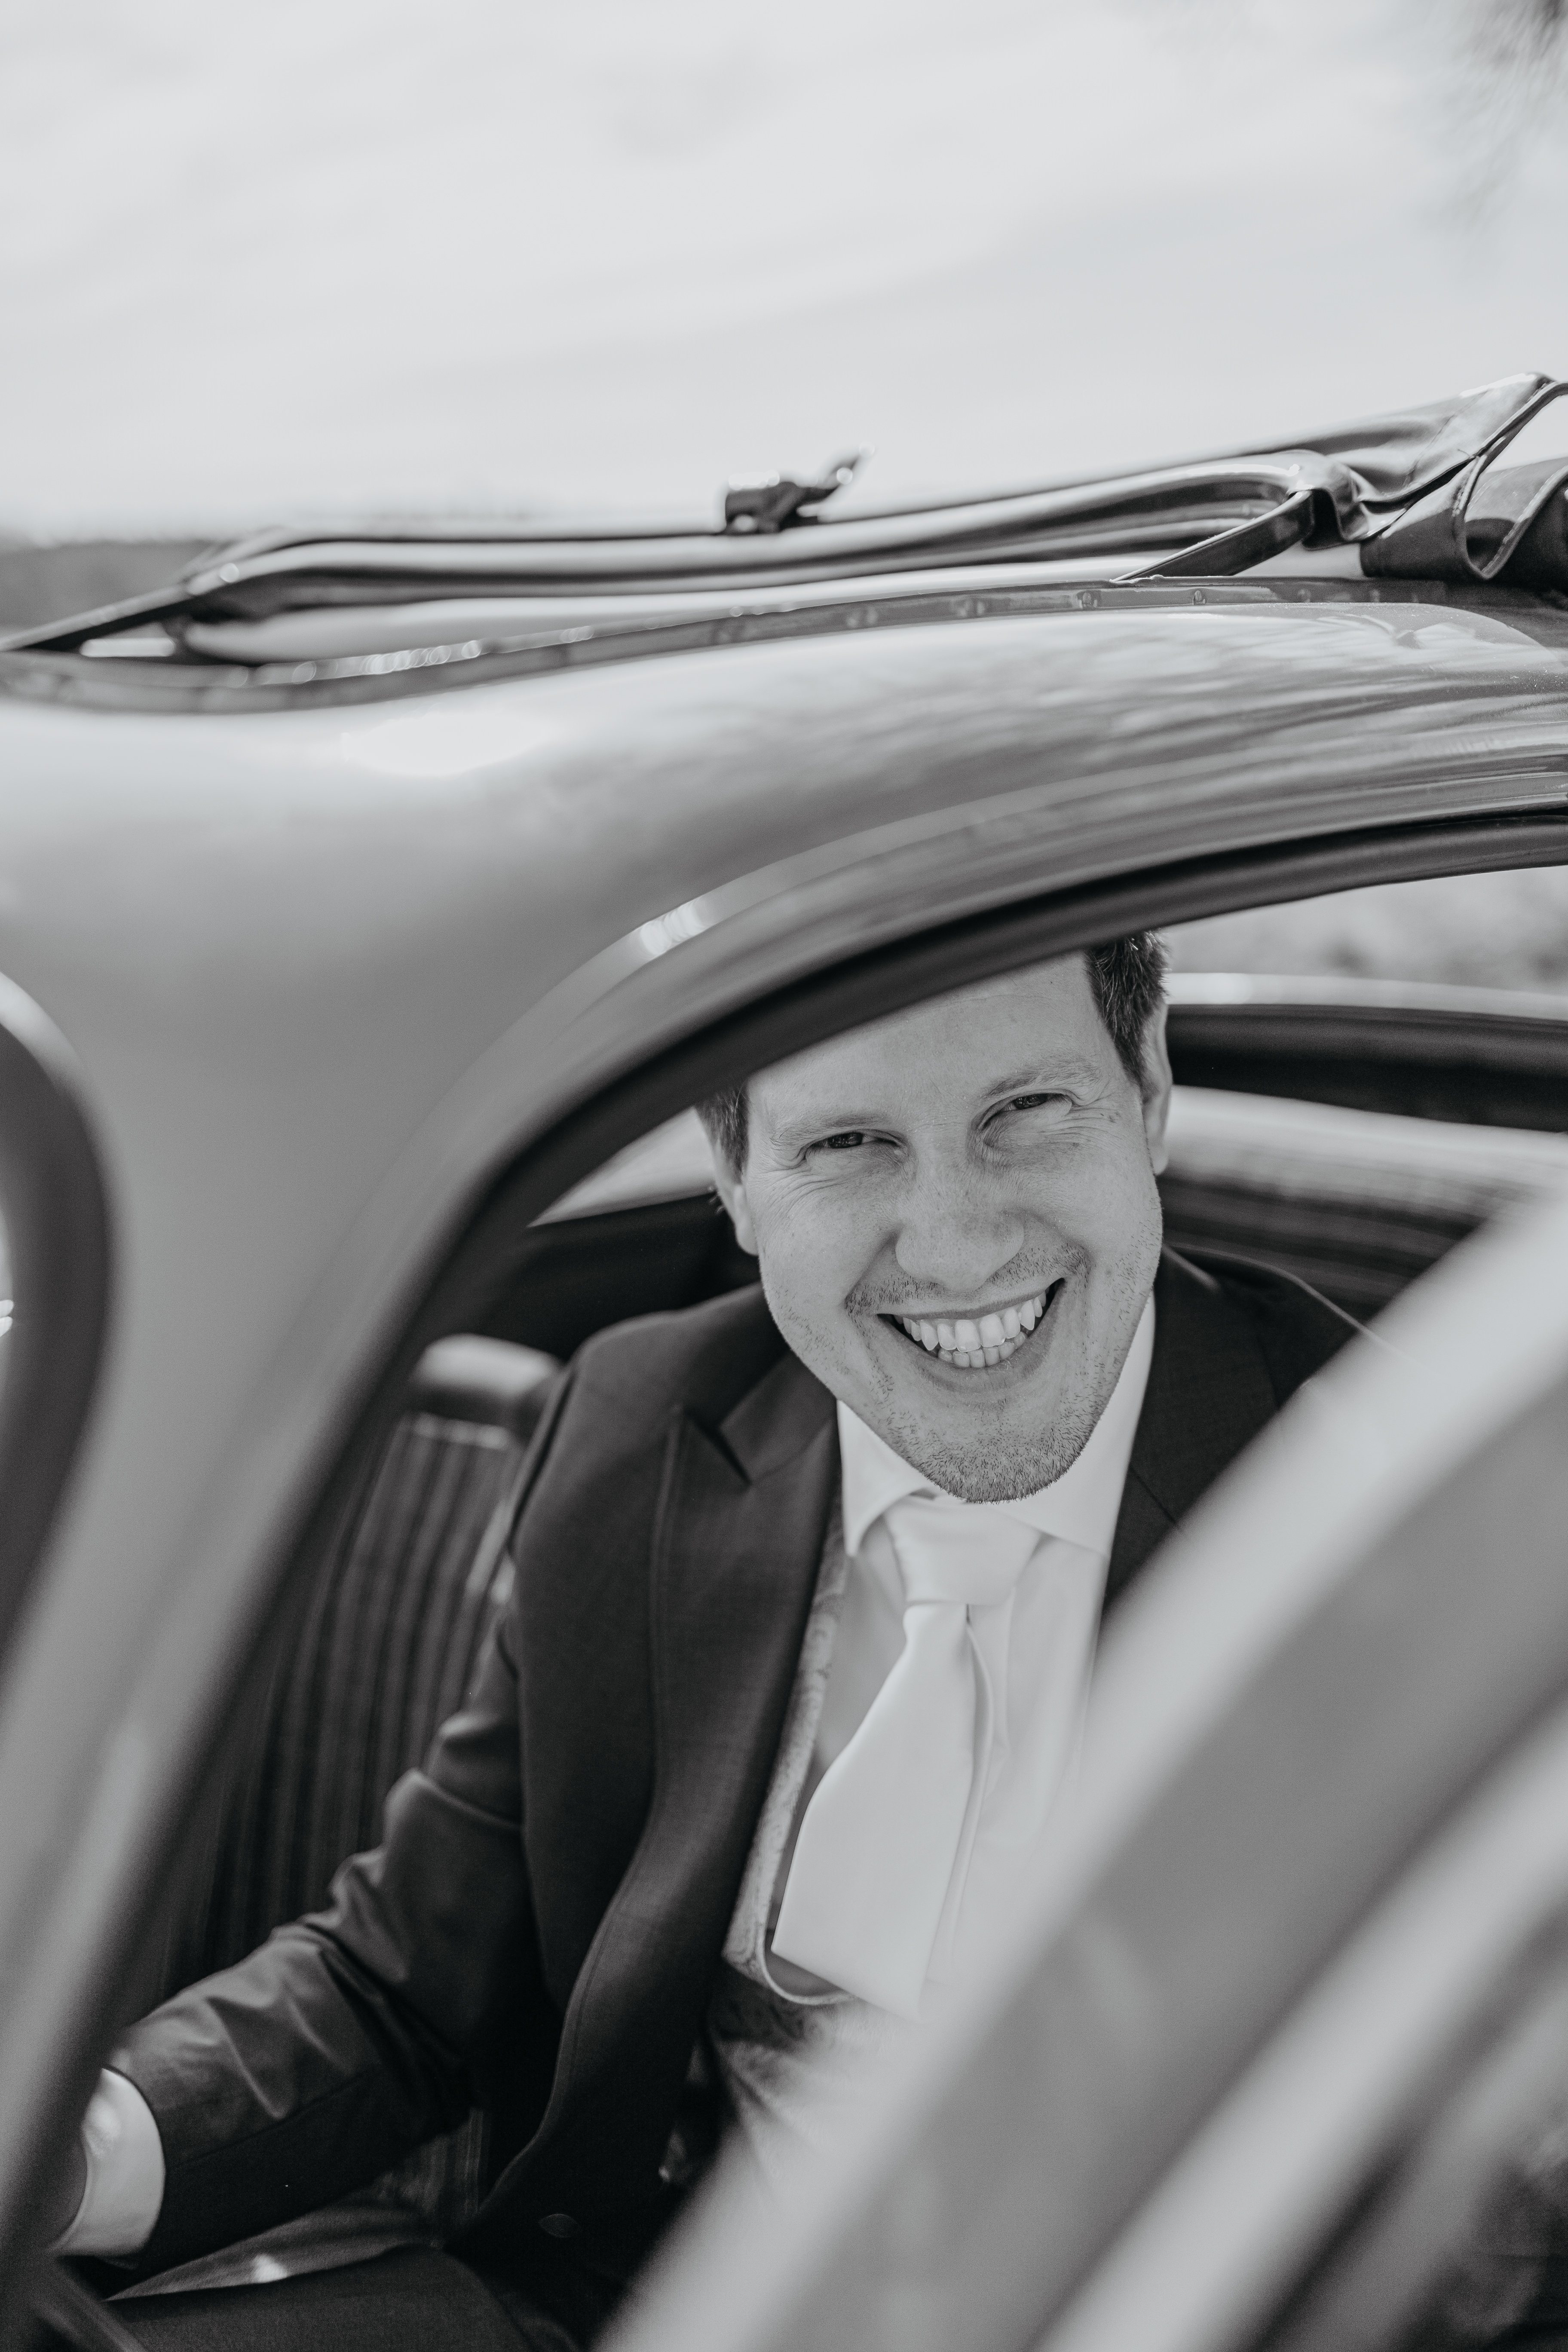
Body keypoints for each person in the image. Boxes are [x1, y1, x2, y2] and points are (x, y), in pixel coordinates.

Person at [52, 937, 1360, 2349]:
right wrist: (64, 2155)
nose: (956, 1243)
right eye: (848, 1144)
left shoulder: (1409, 1508)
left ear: (1149, 1087)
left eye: (1027, 1112)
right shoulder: (642, 1425)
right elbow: (405, 1985)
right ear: (735, 1177)